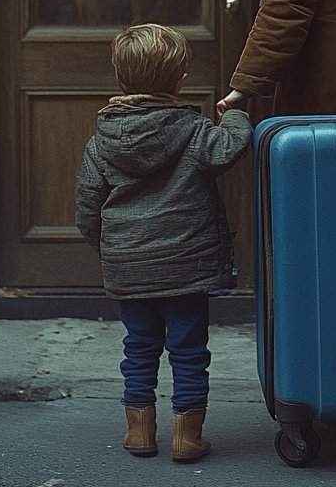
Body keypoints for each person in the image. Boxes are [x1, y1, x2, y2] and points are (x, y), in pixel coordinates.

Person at [75, 23, 252, 462]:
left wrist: (113, 246)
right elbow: (229, 146)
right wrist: (233, 110)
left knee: (138, 347)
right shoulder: (193, 132)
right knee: (189, 350)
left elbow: (87, 209)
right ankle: (187, 438)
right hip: (185, 268)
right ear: (178, 81)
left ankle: (139, 434)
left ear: (119, 81)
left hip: (130, 266)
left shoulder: (101, 142)